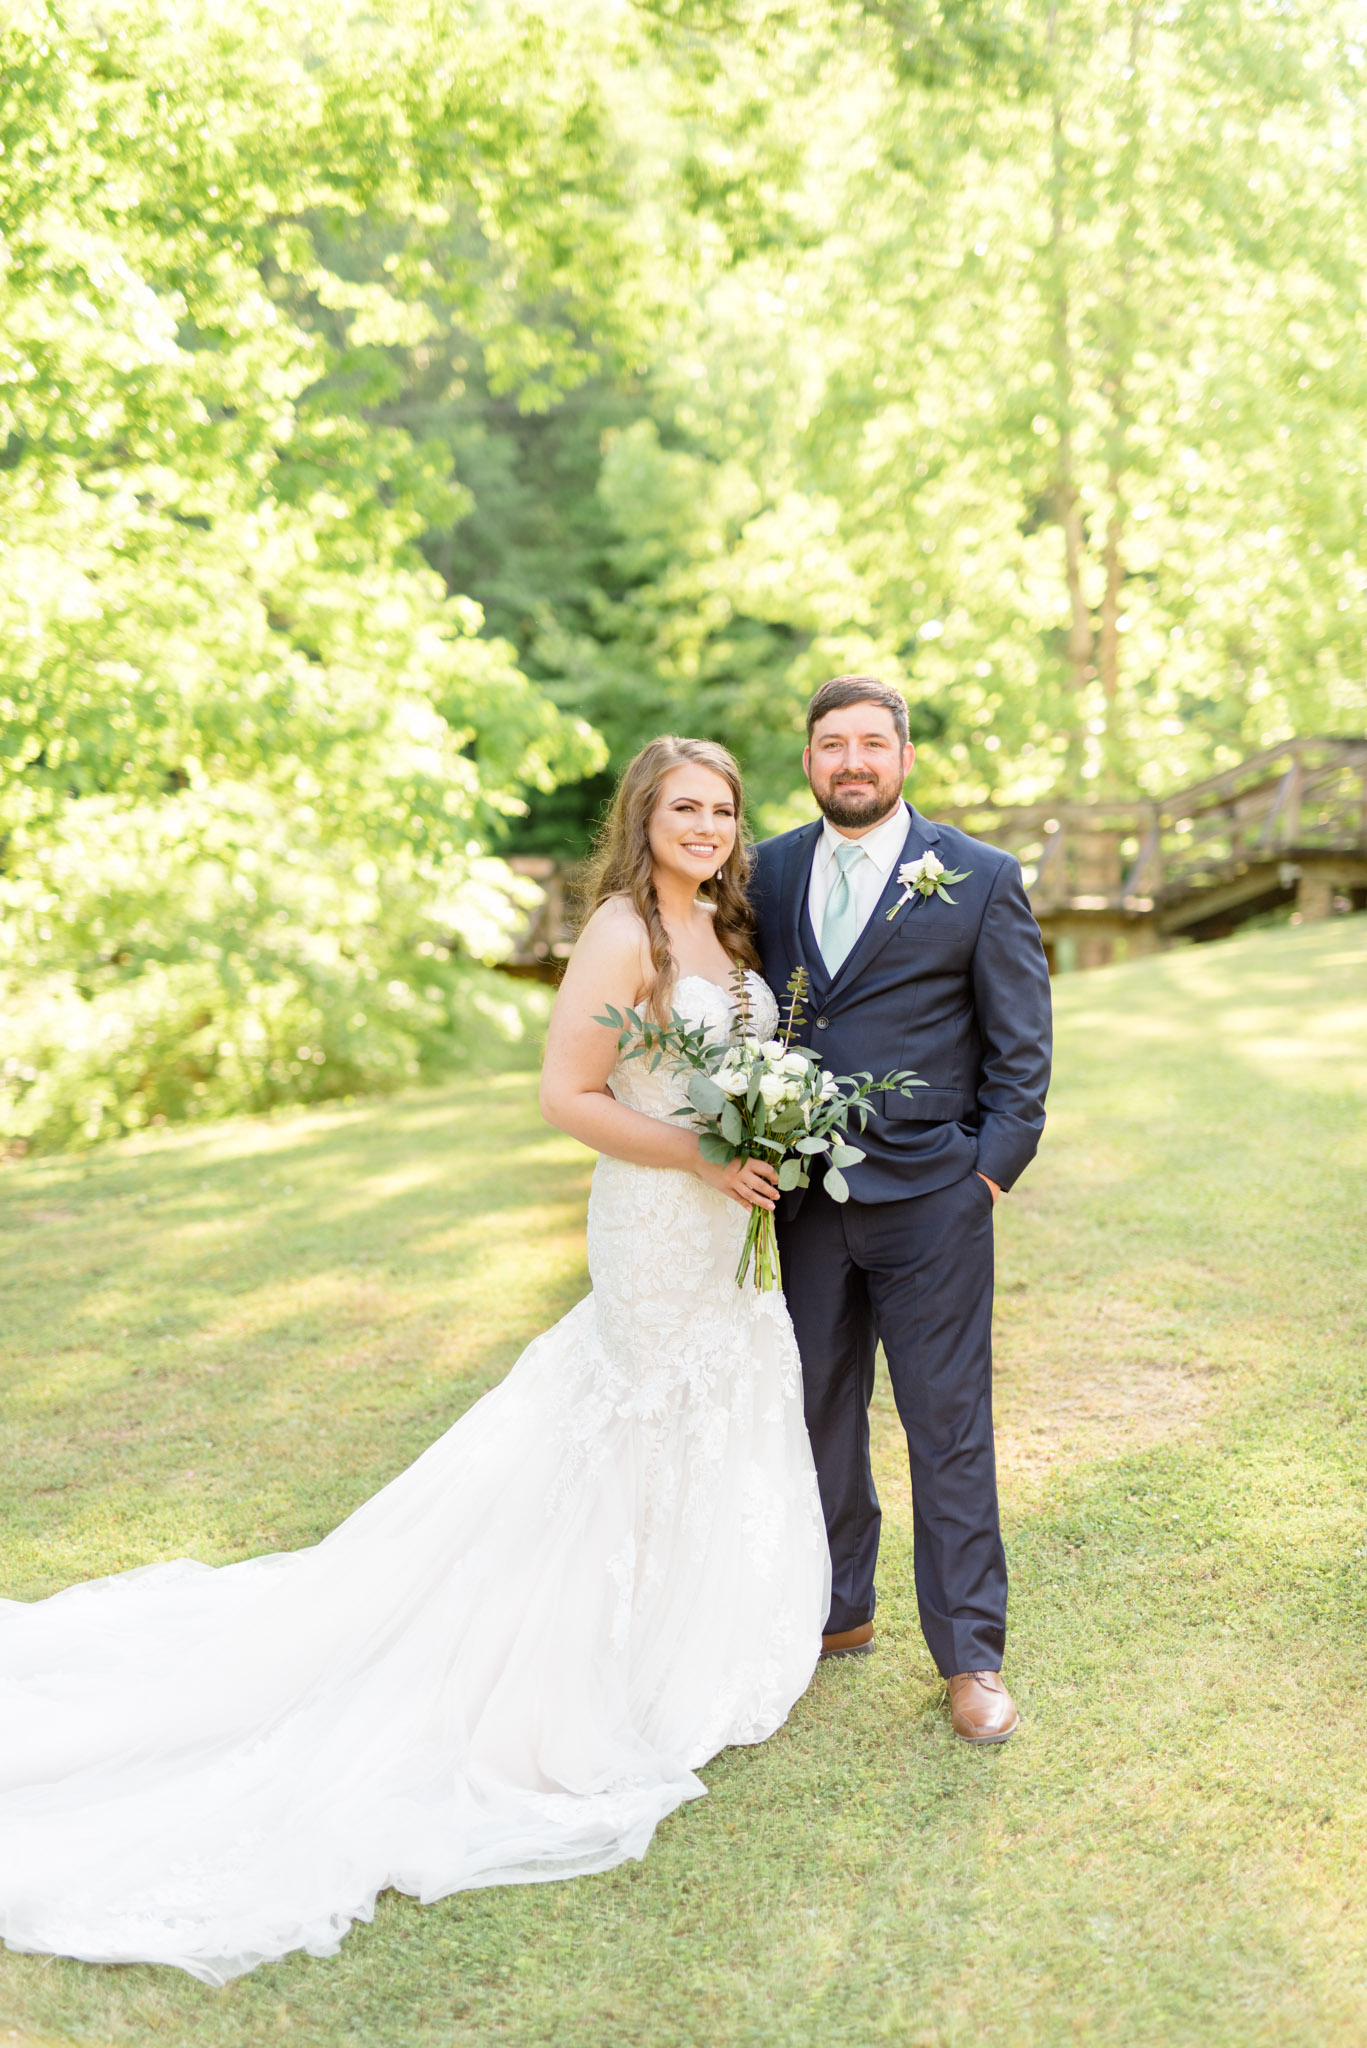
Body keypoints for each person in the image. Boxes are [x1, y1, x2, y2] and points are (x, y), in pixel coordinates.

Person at [0, 737, 827, 1985]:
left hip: (718, 1225)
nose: (705, 826)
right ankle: (573, 1665)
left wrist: (761, 1127)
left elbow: (724, 1064)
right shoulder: (621, 932)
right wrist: (700, 1157)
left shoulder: (723, 925)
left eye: (720, 808)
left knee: (692, 1405)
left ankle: (672, 1629)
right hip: (658, 1217)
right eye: (682, 809)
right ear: (643, 819)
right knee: (632, 1406)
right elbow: (568, 1092)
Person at [749, 677, 1052, 1743]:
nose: (851, 762)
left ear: (903, 757)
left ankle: (971, 1654)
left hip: (932, 1196)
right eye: (831, 744)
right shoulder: (768, 870)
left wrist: (984, 1174)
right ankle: (836, 1609)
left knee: (947, 1425)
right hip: (803, 1199)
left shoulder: (976, 877)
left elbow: (1020, 1052)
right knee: (817, 1409)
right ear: (809, 761)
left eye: (870, 743)